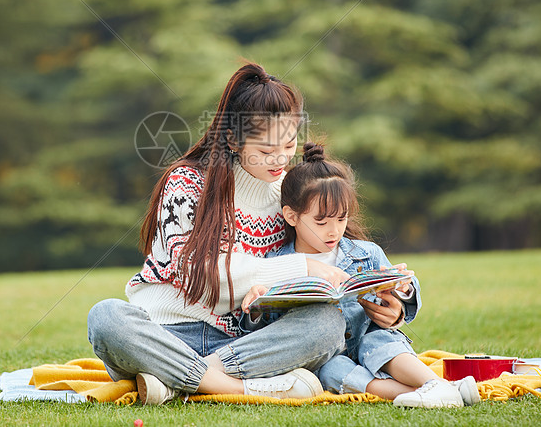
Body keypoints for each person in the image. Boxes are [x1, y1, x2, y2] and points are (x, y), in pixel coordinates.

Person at [87, 63, 350, 404]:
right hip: (164, 336)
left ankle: (176, 381)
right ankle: (233, 388)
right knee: (106, 317)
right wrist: (302, 267)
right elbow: (201, 276)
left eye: (289, 144)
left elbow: (337, 244)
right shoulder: (186, 183)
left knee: (327, 325)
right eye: (267, 151)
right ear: (233, 139)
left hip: (242, 343)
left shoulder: (289, 193)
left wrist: (394, 300)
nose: (282, 158)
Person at [242, 142, 480, 408]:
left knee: (381, 342)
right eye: (321, 222)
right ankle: (439, 390)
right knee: (329, 371)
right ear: (291, 216)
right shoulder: (278, 265)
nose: (334, 231)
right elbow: (268, 331)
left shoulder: (365, 253)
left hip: (370, 336)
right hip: (324, 355)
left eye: (341, 219)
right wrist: (256, 309)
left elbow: (404, 297)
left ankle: (434, 384)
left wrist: (402, 291)